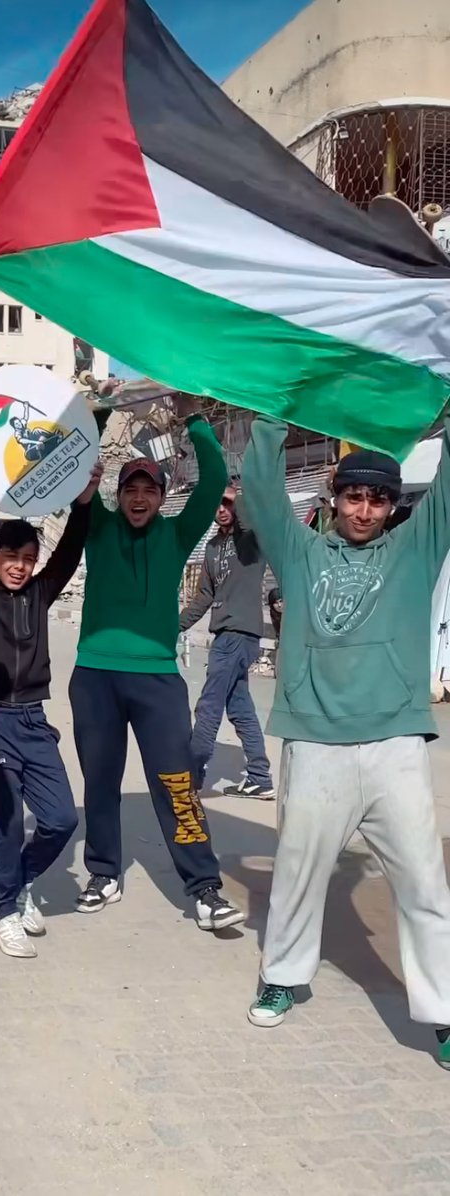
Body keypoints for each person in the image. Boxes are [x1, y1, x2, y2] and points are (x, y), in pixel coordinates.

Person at [241, 418, 450, 1070]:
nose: (365, 509)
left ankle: (443, 1013)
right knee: (299, 873)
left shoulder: (414, 550)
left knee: (423, 883)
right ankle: (282, 973)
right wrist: (273, 416)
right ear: (335, 497)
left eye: (378, 499)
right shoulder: (300, 553)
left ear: (393, 506)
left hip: (395, 744)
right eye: (354, 496)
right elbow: (261, 492)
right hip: (315, 742)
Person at [69, 396, 245, 931]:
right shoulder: (97, 529)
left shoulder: (175, 533)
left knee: (176, 782)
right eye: (131, 488)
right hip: (95, 676)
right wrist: (96, 413)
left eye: (149, 489)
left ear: (163, 497)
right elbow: (74, 464)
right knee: (100, 782)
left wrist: (193, 416)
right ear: (117, 496)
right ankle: (103, 872)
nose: (140, 496)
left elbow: (213, 476)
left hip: (158, 681)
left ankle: (204, 886)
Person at [0, 462, 103, 958]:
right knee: (6, 825)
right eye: (10, 556)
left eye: (28, 558)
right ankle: (6, 914)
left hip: (34, 722)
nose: (19, 565)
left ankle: (21, 883)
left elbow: (72, 549)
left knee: (61, 819)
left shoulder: (40, 592)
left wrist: (84, 502)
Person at [180, 480, 275, 799]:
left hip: (239, 634)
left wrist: (239, 493)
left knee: (209, 704)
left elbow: (248, 517)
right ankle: (260, 777)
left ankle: (192, 774)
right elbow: (204, 594)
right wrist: (175, 626)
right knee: (240, 707)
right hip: (225, 632)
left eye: (227, 503)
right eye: (216, 504)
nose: (221, 509)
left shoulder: (250, 539)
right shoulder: (211, 547)